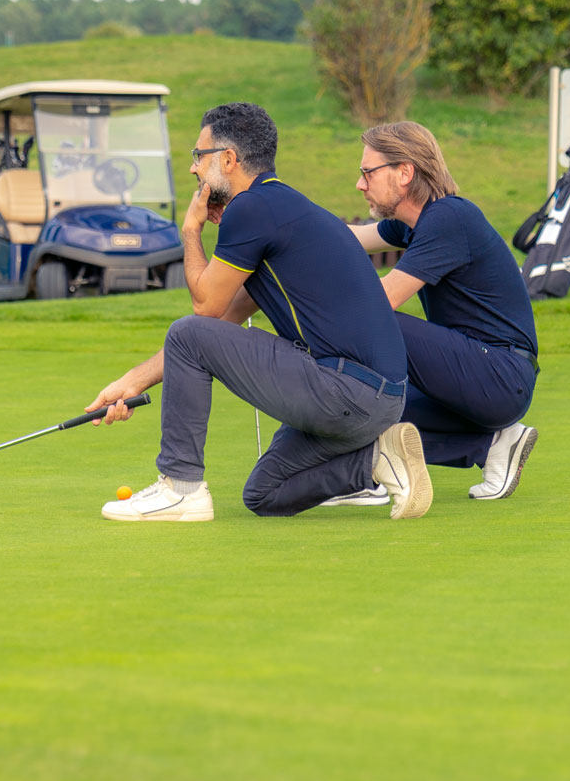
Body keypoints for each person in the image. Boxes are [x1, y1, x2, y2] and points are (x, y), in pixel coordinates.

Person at [84, 102, 433, 522]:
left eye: (200, 156)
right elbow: (221, 322)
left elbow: (203, 309)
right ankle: (377, 462)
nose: (194, 169)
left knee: (185, 330)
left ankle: (181, 488)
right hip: (377, 404)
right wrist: (131, 381)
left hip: (347, 391)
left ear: (228, 160)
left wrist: (191, 230)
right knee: (265, 493)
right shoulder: (280, 208)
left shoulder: (252, 209)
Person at [330, 120, 539, 502]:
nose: (360, 184)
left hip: (500, 376)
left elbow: (381, 302)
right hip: (474, 379)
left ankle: (366, 477)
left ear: (405, 172)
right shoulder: (411, 225)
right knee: (360, 414)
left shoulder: (449, 218)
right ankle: (491, 445)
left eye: (367, 172)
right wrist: (278, 227)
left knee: (373, 321)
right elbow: (349, 238)